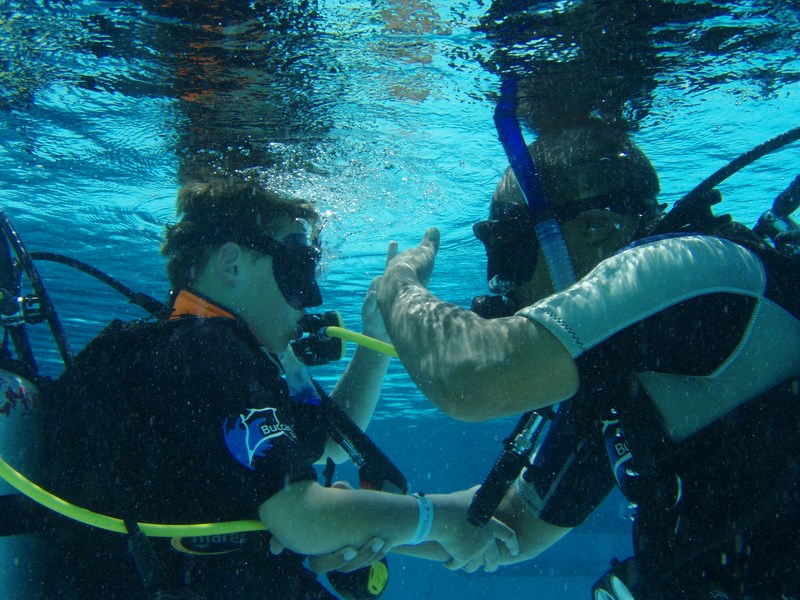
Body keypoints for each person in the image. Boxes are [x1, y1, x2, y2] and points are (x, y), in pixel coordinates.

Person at [28, 177, 517, 598]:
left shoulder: (195, 351)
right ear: (232, 265)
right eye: (299, 268)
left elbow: (327, 440)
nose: (313, 297)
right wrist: (438, 520)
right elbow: (300, 515)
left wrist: (376, 340)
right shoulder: (211, 355)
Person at [374, 122, 800, 599]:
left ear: (597, 228)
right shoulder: (618, 361)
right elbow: (513, 524)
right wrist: (369, 523)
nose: (500, 282)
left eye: (511, 248)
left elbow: (467, 378)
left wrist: (397, 282)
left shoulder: (695, 272)